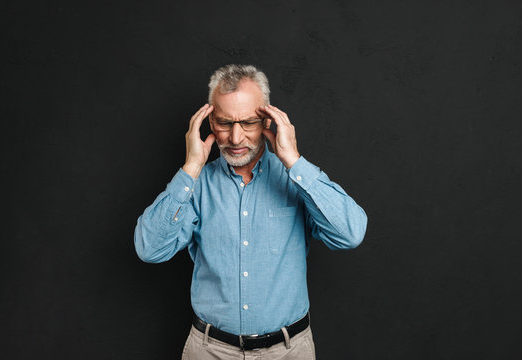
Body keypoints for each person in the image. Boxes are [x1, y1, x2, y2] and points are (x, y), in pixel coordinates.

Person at [134, 64, 368, 359]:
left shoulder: (296, 180)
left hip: (288, 352)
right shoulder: (195, 186)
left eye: (248, 122)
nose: (235, 137)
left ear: (267, 120)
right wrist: (190, 168)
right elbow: (149, 249)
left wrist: (294, 161)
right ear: (208, 122)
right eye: (223, 123)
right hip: (210, 351)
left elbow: (350, 233)